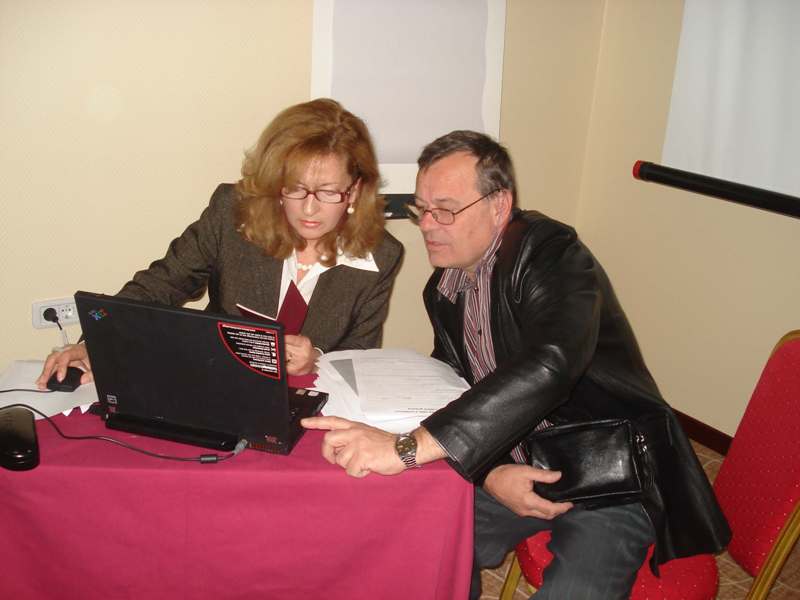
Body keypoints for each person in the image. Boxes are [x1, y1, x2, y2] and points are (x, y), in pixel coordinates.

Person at [302, 131, 731, 599]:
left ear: (499, 205)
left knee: (574, 592)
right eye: (420, 209)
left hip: (607, 476)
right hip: (514, 461)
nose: (426, 225)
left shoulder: (553, 254)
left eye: (445, 210)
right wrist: (490, 473)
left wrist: (406, 449)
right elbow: (458, 385)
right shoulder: (443, 290)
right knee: (412, 538)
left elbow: (551, 362)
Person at [38, 98, 403, 387]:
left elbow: (360, 358)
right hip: (216, 383)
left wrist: (318, 360)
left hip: (309, 401)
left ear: (355, 190)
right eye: (294, 188)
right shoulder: (232, 214)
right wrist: (96, 344)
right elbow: (161, 284)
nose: (309, 208)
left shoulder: (380, 256)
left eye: (328, 192)